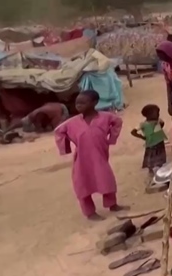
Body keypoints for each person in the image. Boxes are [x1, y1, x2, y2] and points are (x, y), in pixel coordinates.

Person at [54, 90, 127, 220]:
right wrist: (65, 148)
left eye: (83, 102)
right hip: (82, 160)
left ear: (95, 102)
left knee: (106, 180)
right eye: (77, 103)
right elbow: (59, 131)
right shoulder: (72, 122)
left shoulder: (105, 117)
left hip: (100, 156)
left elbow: (118, 122)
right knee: (83, 185)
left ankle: (112, 204)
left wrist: (111, 139)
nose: (79, 105)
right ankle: (90, 212)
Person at [130, 104, 167, 179]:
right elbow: (133, 132)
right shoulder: (143, 124)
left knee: (160, 156)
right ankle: (151, 170)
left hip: (159, 142)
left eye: (158, 113)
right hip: (151, 144)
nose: (158, 114)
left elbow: (162, 123)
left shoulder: (158, 120)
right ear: (148, 114)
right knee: (151, 157)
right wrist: (142, 137)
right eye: (156, 113)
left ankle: (159, 168)